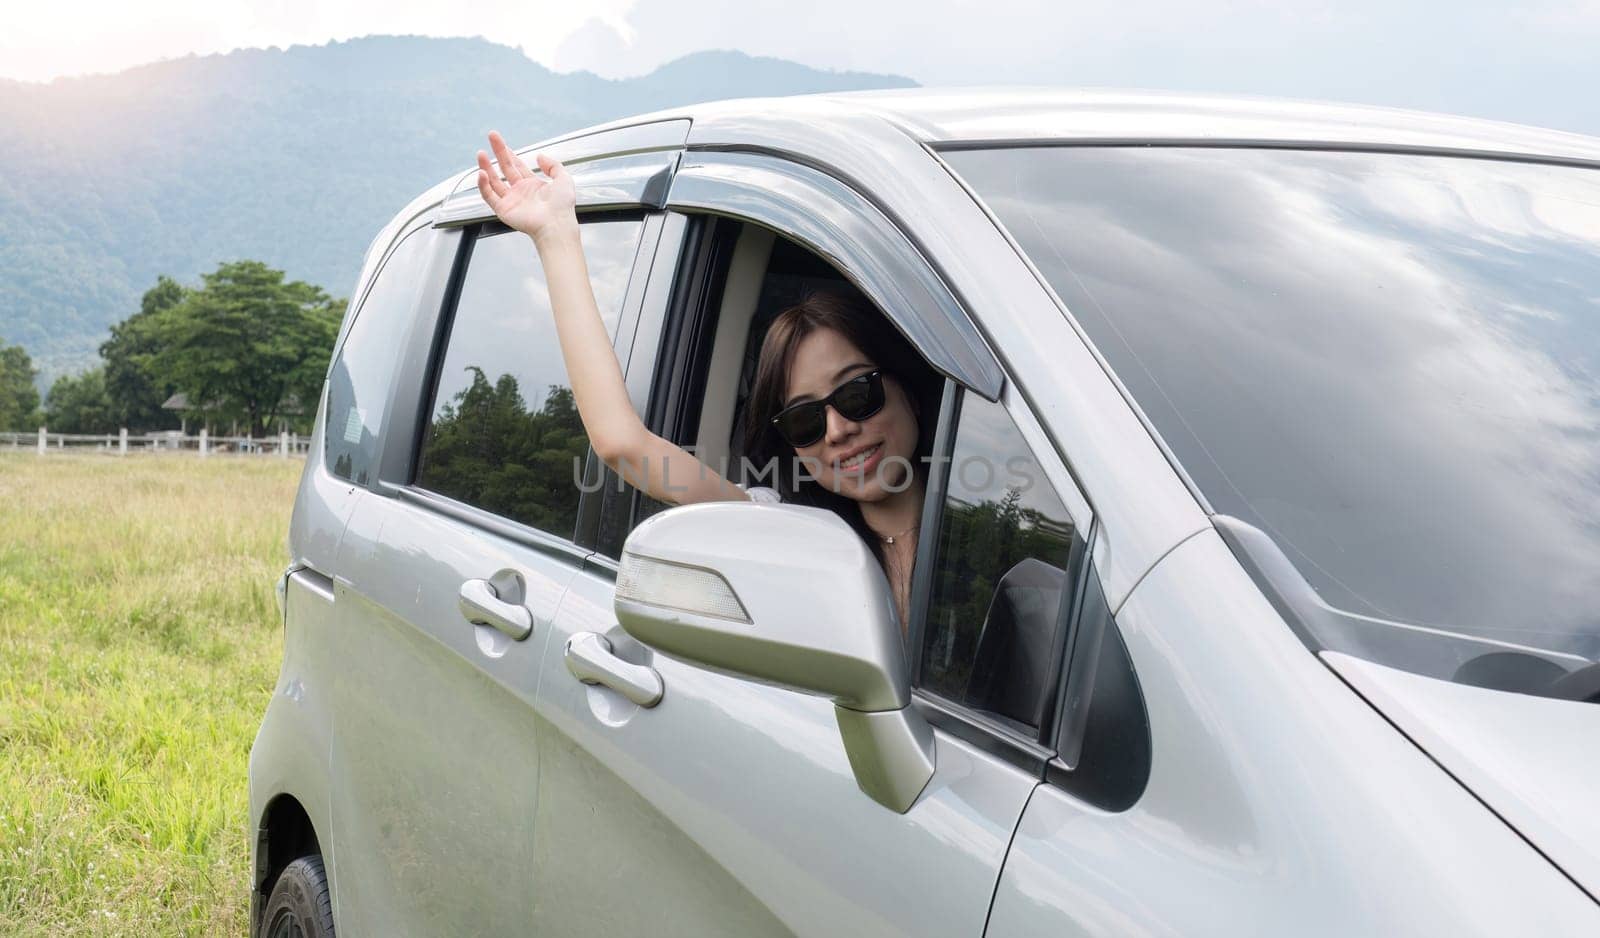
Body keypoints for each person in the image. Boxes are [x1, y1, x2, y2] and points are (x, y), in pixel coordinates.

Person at [474, 131, 939, 633]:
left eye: (856, 394)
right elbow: (622, 443)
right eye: (804, 420)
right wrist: (555, 237)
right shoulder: (798, 539)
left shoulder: (1005, 535)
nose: (837, 430)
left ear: (907, 387)